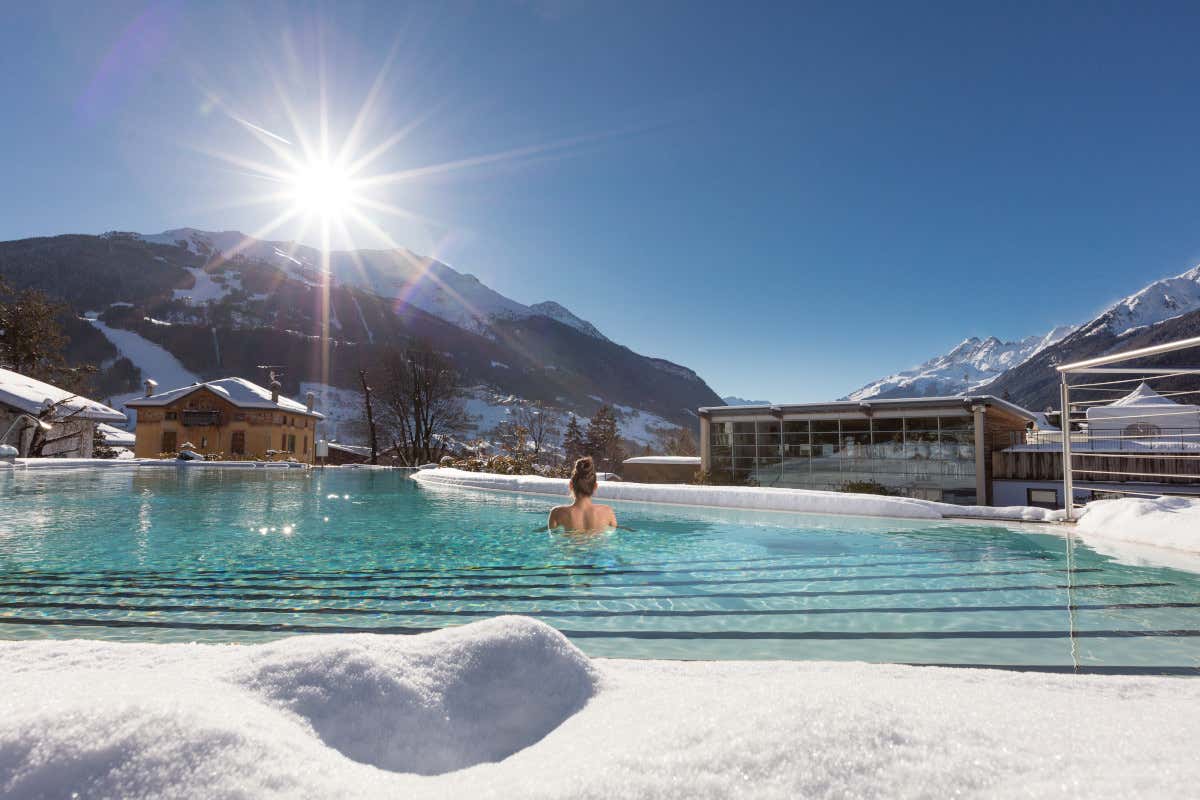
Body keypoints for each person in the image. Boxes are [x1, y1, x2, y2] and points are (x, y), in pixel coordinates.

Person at [548, 456, 617, 532]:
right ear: (595, 486)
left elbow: (552, 537)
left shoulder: (557, 513)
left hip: (570, 544)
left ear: (571, 485)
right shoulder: (607, 511)